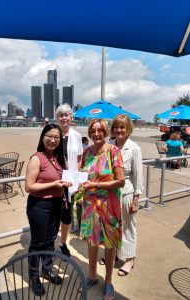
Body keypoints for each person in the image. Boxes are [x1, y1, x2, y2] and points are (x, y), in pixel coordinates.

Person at [80, 118, 125, 300]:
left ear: (105, 132)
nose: (96, 134)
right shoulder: (87, 152)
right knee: (91, 240)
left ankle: (108, 281)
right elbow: (82, 174)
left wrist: (96, 184)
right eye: (93, 131)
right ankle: (91, 275)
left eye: (100, 130)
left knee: (109, 242)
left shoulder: (114, 151)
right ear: (90, 133)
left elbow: (120, 181)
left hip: (109, 204)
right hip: (90, 204)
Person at [25, 124, 72, 296]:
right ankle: (34, 276)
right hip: (39, 206)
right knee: (37, 243)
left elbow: (65, 177)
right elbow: (29, 187)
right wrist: (53, 184)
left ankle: (47, 269)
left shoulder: (59, 158)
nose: (53, 140)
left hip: (57, 204)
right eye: (49, 136)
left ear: (60, 140)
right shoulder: (37, 158)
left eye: (56, 137)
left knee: (50, 239)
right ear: (43, 137)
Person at [109, 114, 143, 276]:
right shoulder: (109, 145)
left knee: (128, 226)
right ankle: (114, 253)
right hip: (109, 193)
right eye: (116, 127)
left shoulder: (134, 148)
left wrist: (136, 199)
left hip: (126, 193)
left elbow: (138, 176)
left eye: (122, 127)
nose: (119, 130)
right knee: (112, 225)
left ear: (128, 129)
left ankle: (129, 258)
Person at [56, 104, 83, 256]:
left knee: (66, 216)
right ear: (57, 118)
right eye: (61, 115)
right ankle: (50, 240)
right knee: (53, 213)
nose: (64, 118)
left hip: (70, 182)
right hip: (54, 182)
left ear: (71, 117)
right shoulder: (52, 134)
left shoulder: (77, 136)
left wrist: (77, 179)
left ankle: (62, 242)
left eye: (67, 115)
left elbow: (79, 158)